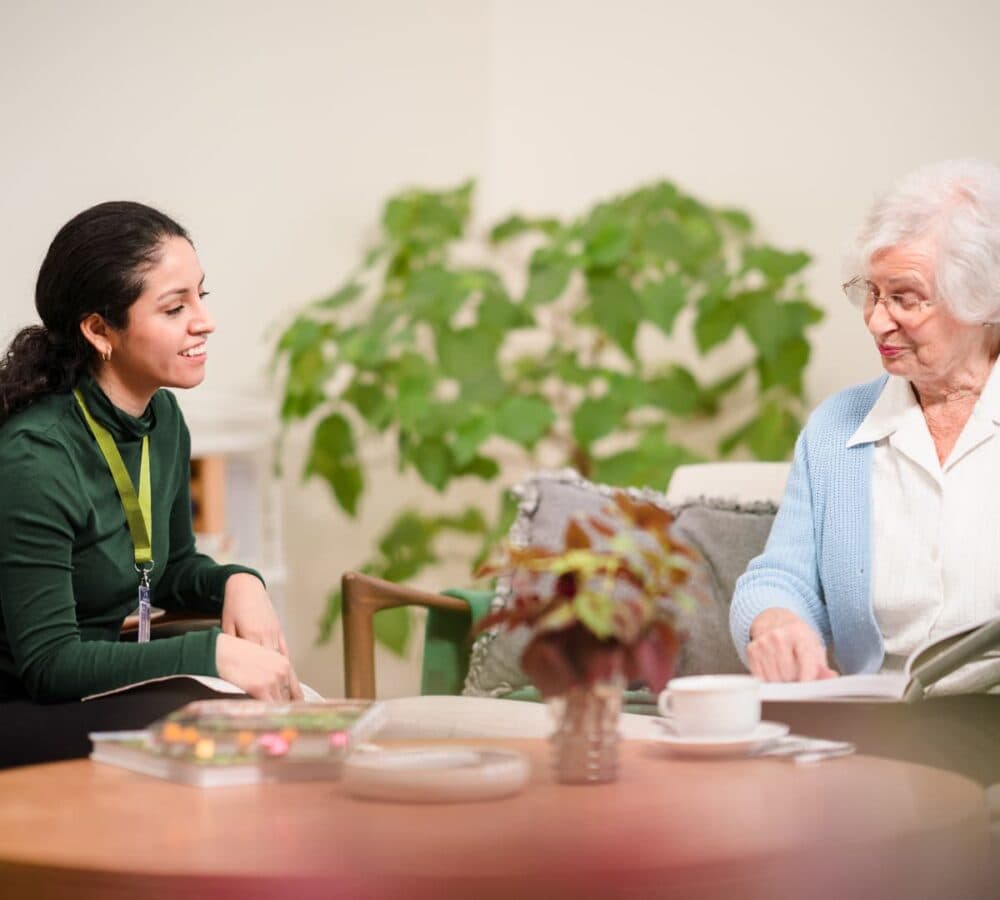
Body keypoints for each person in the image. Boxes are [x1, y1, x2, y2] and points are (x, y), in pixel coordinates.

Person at [0, 201, 303, 767]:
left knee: (284, 706)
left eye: (200, 297)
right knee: (234, 721)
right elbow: (48, 664)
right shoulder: (35, 456)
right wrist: (210, 652)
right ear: (99, 330)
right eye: (174, 307)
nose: (203, 321)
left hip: (94, 682)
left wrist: (239, 582)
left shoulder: (161, 420)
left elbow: (172, 570)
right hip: (23, 703)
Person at [729, 159, 1000, 784]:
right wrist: (776, 621)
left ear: (981, 299)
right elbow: (781, 574)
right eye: (871, 293)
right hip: (873, 724)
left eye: (905, 298)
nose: (877, 320)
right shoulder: (837, 429)